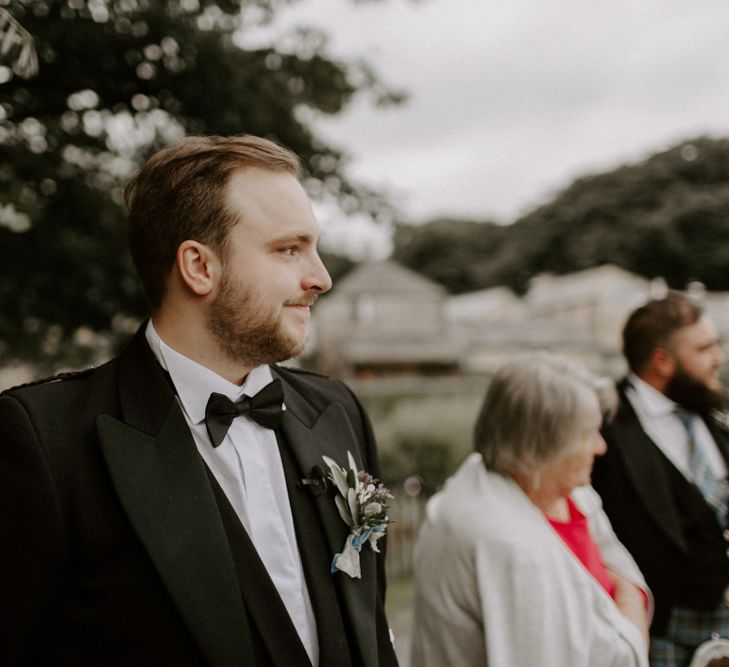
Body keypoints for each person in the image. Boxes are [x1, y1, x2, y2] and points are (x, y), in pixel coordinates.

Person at [0, 135, 398, 666]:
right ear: (199, 267)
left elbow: (371, 627)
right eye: (288, 249)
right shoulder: (47, 443)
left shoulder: (337, 411)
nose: (320, 278)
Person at [410, 352, 651, 667]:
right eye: (587, 434)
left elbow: (614, 559)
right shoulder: (509, 545)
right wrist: (631, 600)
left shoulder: (569, 494)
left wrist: (627, 594)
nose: (600, 446)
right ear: (542, 444)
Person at [592, 291, 729, 667]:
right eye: (704, 348)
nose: (718, 357)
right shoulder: (604, 429)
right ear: (662, 360)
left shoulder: (711, 410)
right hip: (663, 634)